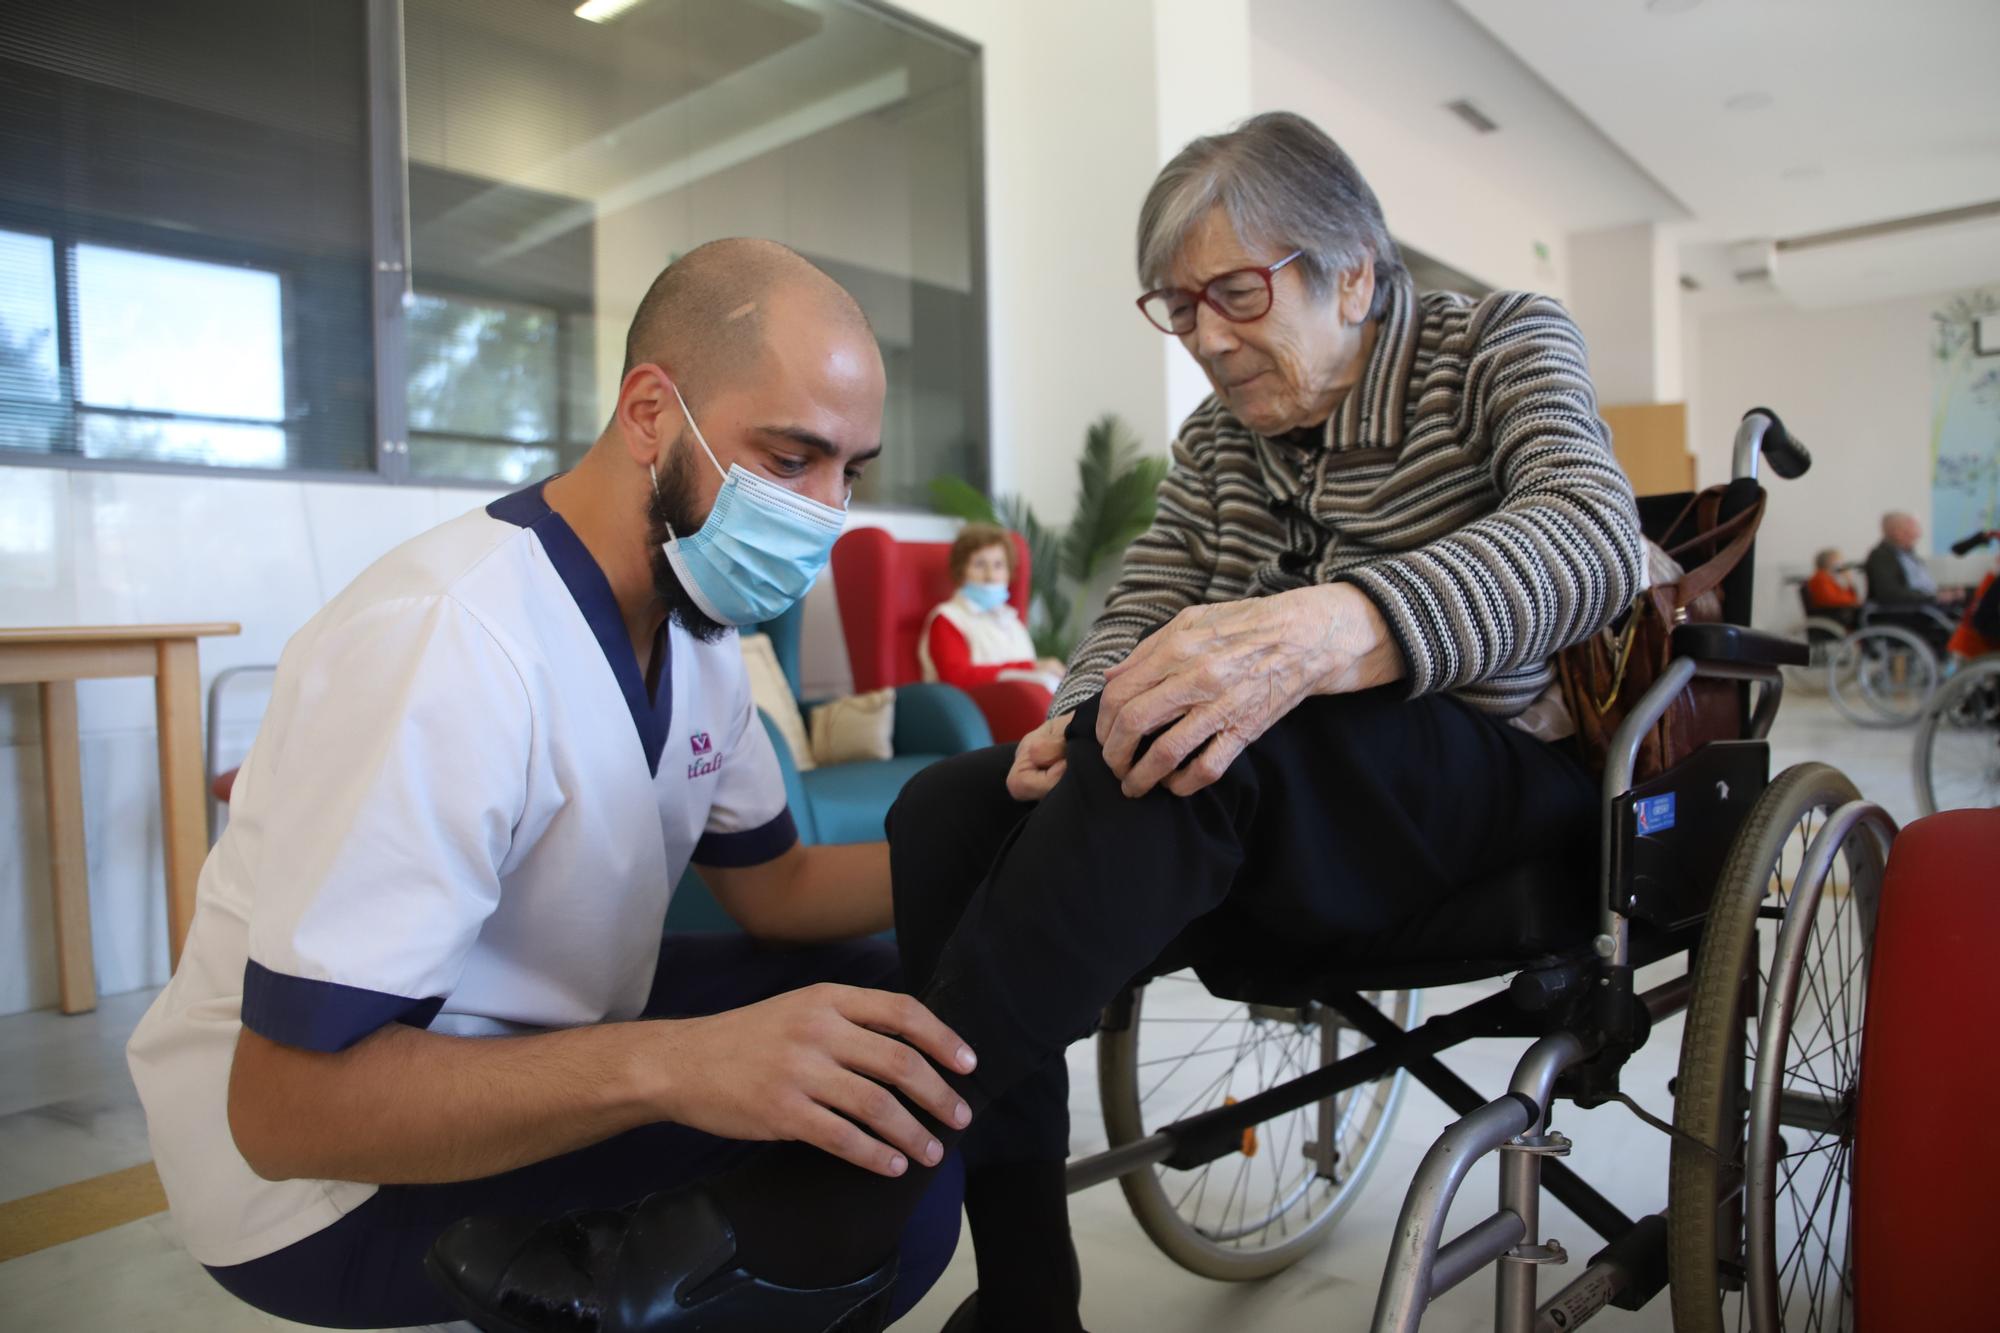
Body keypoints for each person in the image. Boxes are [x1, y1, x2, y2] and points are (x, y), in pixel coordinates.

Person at [460, 111, 1642, 1333]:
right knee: (949, 807)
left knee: (1214, 739)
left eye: (1234, 294)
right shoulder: (1220, 440)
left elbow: (1594, 537)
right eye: (1177, 310)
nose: (1207, 341)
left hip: (1491, 770)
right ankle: (1028, 1296)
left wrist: (1330, 626)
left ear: (1351, 269)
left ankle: (827, 1197)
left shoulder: (1500, 341)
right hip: (1295, 792)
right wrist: (1076, 712)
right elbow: (1150, 584)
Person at [125, 240, 972, 1332]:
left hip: (527, 1038)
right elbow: (286, 1111)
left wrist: (995, 837)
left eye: (849, 471)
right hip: (323, 1188)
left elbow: (782, 886)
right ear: (650, 414)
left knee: (906, 1026)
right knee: (887, 1196)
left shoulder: (695, 618)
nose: (824, 513)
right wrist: (677, 1066)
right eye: (790, 457)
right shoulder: (452, 640)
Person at [919, 522, 1066, 694]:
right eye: (980, 564)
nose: (990, 575)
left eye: (998, 565)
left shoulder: (1012, 621)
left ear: (1008, 572)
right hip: (972, 712)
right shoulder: (947, 618)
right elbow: (957, 678)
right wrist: (1032, 667)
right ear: (960, 571)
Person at [1866, 512, 1940, 605]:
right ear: (1896, 532)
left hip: (1927, 604)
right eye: (1909, 531)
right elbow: (1890, 594)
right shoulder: (1881, 557)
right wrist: (1928, 597)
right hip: (1904, 611)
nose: (1916, 535)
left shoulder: (1910, 556)